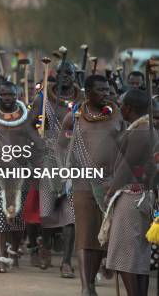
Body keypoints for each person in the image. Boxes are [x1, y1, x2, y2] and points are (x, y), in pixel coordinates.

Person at [60, 74, 124, 296]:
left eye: (108, 90)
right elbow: (60, 146)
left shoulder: (117, 115)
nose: (106, 94)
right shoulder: (74, 117)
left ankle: (92, 283)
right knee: (85, 233)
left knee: (101, 236)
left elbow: (125, 146)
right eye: (101, 90)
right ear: (88, 92)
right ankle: (86, 286)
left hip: (111, 184)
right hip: (83, 183)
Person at [29, 61, 82, 277]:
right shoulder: (42, 99)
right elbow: (28, 126)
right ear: (55, 75)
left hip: (75, 162)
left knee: (70, 214)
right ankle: (46, 248)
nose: (65, 77)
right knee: (48, 211)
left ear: (74, 76)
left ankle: (67, 262)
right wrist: (40, 145)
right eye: (61, 73)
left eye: (69, 73)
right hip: (49, 160)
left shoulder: (83, 100)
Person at [102, 91, 158, 296]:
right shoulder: (146, 129)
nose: (120, 107)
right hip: (143, 197)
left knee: (124, 257)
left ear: (129, 108)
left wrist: (110, 191)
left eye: (122, 104)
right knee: (137, 258)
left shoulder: (141, 131)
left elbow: (127, 168)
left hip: (132, 198)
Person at [0, 81, 41, 273]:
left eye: (11, 95)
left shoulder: (26, 118)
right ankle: (0, 258)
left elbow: (36, 143)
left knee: (17, 218)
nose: (7, 98)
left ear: (17, 96)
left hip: (20, 173)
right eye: (3, 94)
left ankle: (14, 251)